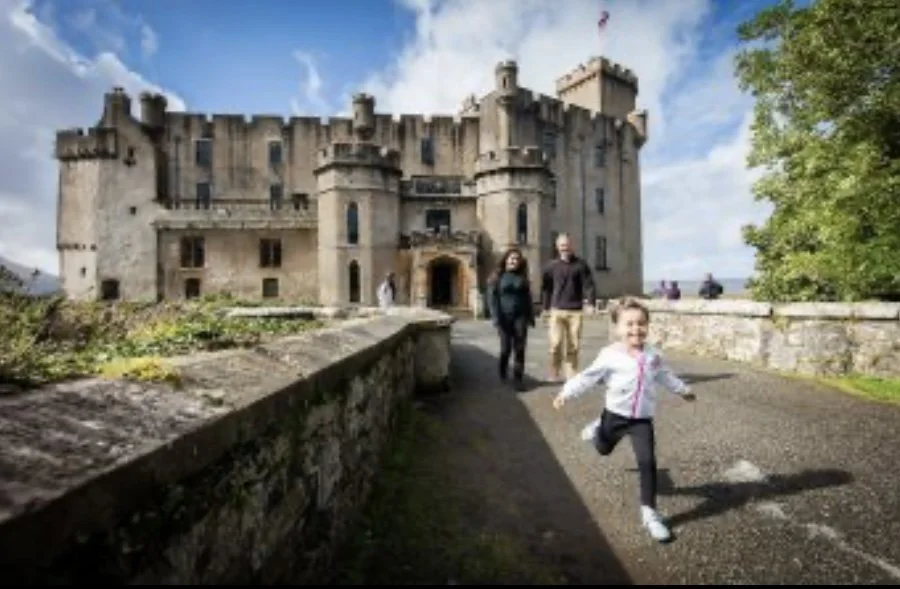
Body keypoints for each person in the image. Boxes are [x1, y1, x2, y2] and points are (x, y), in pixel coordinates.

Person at [551, 296, 696, 543]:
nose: (635, 329)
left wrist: (683, 390)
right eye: (629, 324)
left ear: (647, 326)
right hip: (614, 415)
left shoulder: (654, 355)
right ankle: (597, 429)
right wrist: (566, 392)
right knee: (603, 449)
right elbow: (587, 377)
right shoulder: (609, 355)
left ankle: (649, 513)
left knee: (647, 461)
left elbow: (665, 376)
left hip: (641, 420)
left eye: (641, 323)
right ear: (617, 328)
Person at [540, 233, 597, 382]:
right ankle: (554, 372)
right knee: (555, 344)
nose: (565, 248)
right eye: (562, 245)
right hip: (556, 310)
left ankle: (571, 374)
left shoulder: (581, 265)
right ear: (557, 247)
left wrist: (590, 303)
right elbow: (546, 288)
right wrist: (545, 307)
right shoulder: (551, 266)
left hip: (575, 311)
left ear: (572, 246)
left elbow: (589, 285)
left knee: (573, 345)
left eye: (567, 245)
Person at [487, 248, 536, 390]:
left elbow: (528, 298)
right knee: (505, 349)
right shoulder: (497, 277)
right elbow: (492, 299)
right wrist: (495, 317)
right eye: (511, 258)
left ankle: (518, 379)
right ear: (506, 259)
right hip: (504, 317)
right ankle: (503, 373)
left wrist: (531, 316)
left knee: (520, 349)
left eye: (517, 259)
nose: (514, 261)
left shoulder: (522, 277)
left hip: (520, 317)